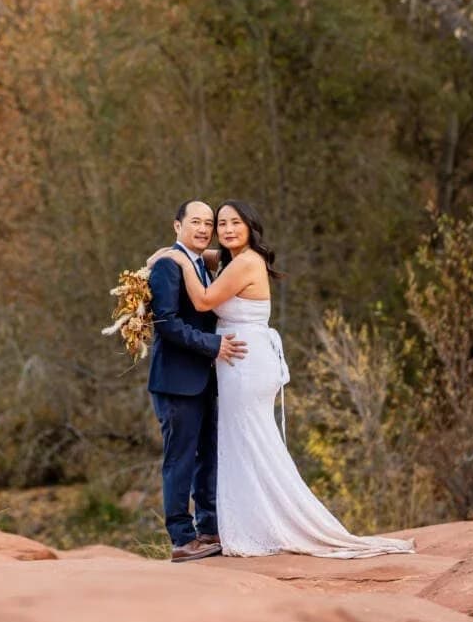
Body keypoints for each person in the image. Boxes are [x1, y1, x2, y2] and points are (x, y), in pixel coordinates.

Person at [154, 199, 415, 558]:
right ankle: (232, 526)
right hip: (237, 364)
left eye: (231, 224)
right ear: (179, 225)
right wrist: (174, 253)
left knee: (250, 442)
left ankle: (267, 522)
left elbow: (201, 301)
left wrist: (177, 256)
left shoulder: (243, 262)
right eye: (220, 224)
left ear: (250, 227)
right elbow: (205, 260)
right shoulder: (230, 259)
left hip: (244, 364)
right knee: (242, 445)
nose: (223, 230)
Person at [147, 199, 249, 562]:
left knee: (208, 457)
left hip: (205, 380)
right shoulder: (167, 266)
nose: (204, 229)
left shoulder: (202, 264)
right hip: (176, 382)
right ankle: (181, 539)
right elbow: (167, 324)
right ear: (177, 226)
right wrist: (213, 345)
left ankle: (209, 529)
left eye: (209, 223)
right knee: (180, 461)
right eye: (196, 222)